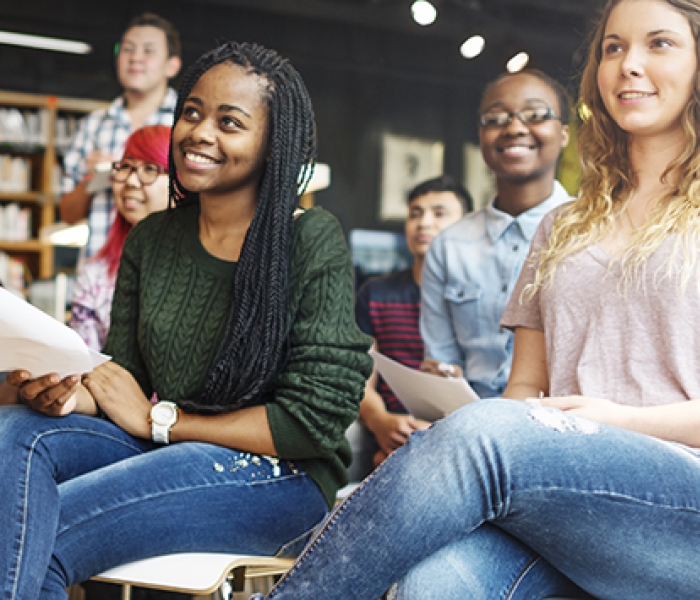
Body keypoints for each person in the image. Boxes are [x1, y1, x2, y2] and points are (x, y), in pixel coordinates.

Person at [254, 0, 700, 597]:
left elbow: (505, 426)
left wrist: (620, 422)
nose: (629, 64)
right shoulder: (562, 226)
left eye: (660, 44)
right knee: (433, 584)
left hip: (679, 501)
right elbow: (523, 390)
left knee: (484, 430)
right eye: (613, 47)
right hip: (565, 495)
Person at [0, 42, 372, 599]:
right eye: (192, 113)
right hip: (167, 450)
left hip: (281, 478)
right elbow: (122, 381)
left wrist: (162, 423)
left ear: (274, 145)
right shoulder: (152, 239)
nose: (199, 132)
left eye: (230, 122)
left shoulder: (310, 238)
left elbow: (314, 421)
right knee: (3, 430)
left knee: (39, 532)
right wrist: (63, 392)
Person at [419, 68, 572, 398]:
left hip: (564, 426)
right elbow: (440, 360)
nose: (515, 128)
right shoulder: (448, 247)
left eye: (535, 114)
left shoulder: (593, 232)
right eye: (497, 117)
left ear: (564, 135)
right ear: (481, 134)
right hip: (470, 422)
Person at [351, 175, 470, 478]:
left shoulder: (479, 298)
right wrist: (381, 422)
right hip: (391, 435)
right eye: (415, 213)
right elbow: (359, 376)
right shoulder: (376, 293)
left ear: (468, 225)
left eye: (439, 214)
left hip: (462, 436)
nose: (424, 223)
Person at [59, 13, 181, 257]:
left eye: (148, 51)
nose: (135, 58)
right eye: (127, 49)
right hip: (100, 275)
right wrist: (98, 177)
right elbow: (67, 215)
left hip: (165, 267)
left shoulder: (185, 124)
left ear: (172, 65)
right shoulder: (93, 126)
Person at [69, 124, 171, 351]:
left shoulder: (202, 270)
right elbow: (81, 365)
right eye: (126, 167)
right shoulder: (95, 275)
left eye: (150, 169)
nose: (131, 182)